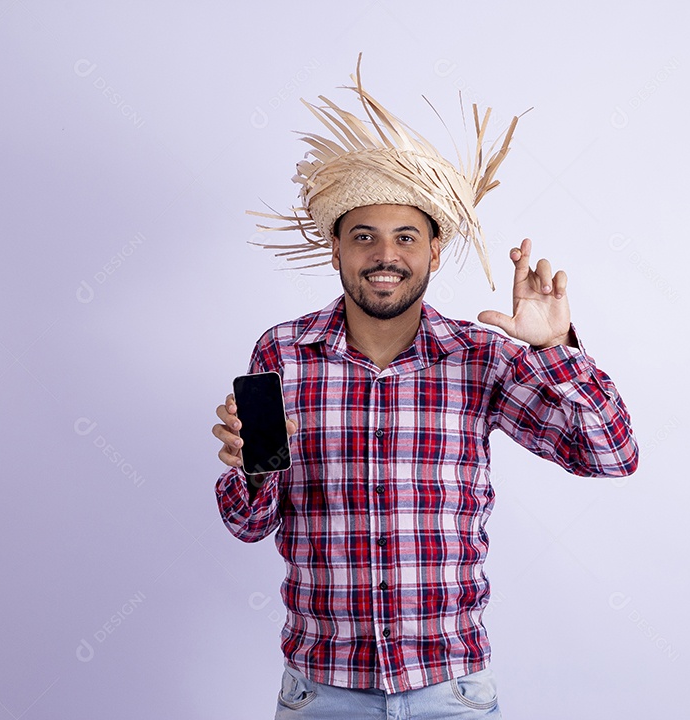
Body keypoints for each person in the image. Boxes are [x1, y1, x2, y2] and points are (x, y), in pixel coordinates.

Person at [211, 59, 638, 719]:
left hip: (451, 691)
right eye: (364, 237)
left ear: (435, 251)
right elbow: (249, 524)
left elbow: (611, 455)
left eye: (406, 237)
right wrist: (251, 469)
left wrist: (553, 350)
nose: (386, 254)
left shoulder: (480, 356)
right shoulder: (283, 353)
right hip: (322, 692)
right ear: (337, 250)